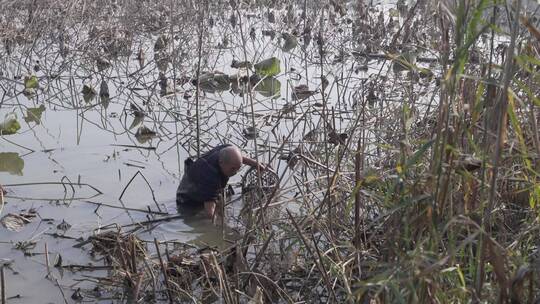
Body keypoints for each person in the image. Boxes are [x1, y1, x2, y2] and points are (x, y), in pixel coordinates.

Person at [176, 144, 265, 218]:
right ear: (221, 163)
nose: (235, 172)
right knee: (202, 217)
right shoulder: (210, 175)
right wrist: (216, 226)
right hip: (187, 200)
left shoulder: (225, 150)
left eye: (238, 168)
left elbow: (238, 159)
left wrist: (256, 164)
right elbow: (210, 208)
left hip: (196, 181)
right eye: (233, 169)